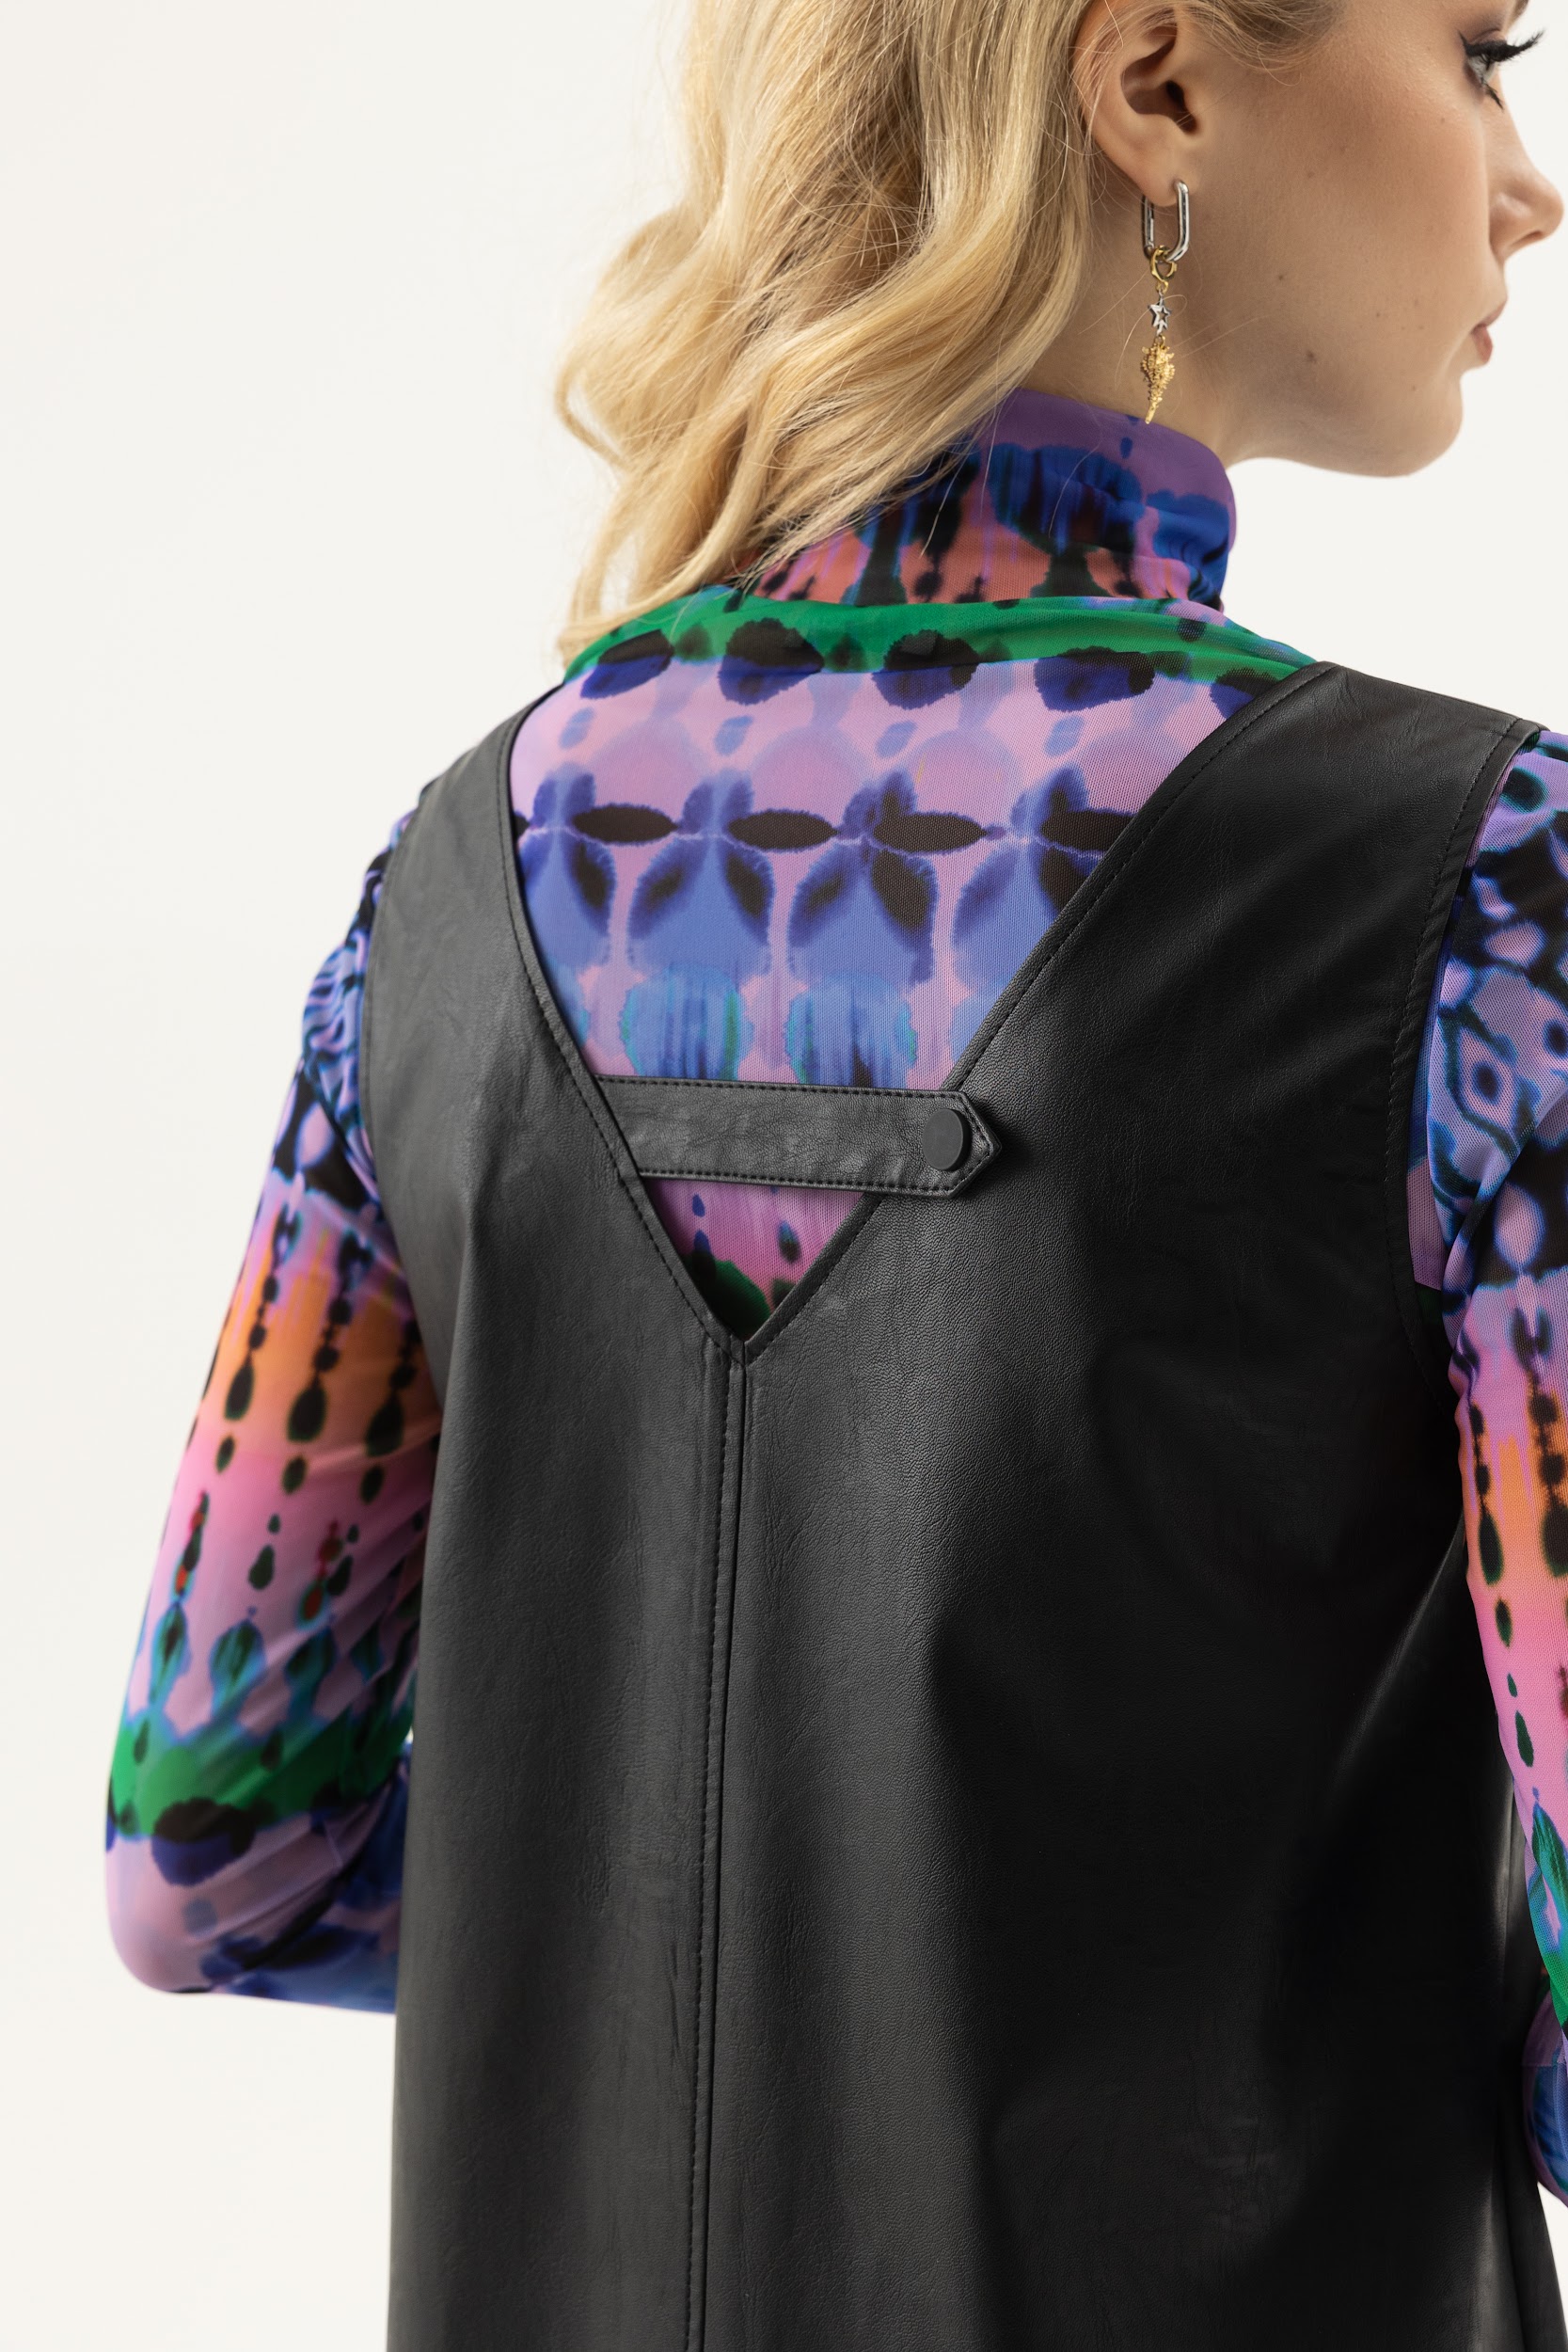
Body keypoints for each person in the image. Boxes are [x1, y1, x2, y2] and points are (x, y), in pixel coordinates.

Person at [105, 0, 1568, 2340]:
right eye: (1484, 51)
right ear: (1160, 82)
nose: (1529, 185)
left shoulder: (452, 885)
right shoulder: (1490, 901)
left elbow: (213, 1847)